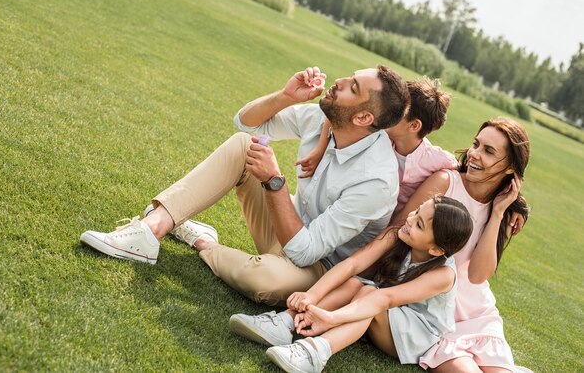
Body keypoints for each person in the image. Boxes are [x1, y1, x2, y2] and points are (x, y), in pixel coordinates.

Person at [80, 65, 410, 305]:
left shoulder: (376, 181)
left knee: (266, 280)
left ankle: (204, 244)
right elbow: (246, 121)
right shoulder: (324, 120)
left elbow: (307, 250)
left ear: (364, 119)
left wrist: (274, 180)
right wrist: (285, 96)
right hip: (290, 231)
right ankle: (150, 231)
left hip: (323, 271)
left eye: (352, 86)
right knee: (244, 144)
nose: (339, 81)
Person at [230, 196, 474, 372]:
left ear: (436, 249)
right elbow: (353, 264)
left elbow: (384, 299)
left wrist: (331, 318)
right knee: (356, 284)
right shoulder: (399, 234)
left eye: (419, 224)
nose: (410, 219)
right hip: (382, 308)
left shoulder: (443, 275)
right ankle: (284, 323)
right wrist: (311, 296)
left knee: (369, 292)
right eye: (417, 211)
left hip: (414, 336)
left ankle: (316, 353)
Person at [397, 118, 530, 372]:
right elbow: (398, 230)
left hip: (478, 315)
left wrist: (499, 213)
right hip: (436, 312)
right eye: (476, 144)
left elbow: (478, 275)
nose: (474, 154)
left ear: (511, 168)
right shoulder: (445, 182)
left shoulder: (501, 208)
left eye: (488, 151)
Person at [296, 77, 458, 216]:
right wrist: (320, 149)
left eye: (398, 111)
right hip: (359, 210)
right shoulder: (378, 131)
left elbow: (461, 173)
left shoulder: (437, 159)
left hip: (396, 224)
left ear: (414, 125)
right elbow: (338, 113)